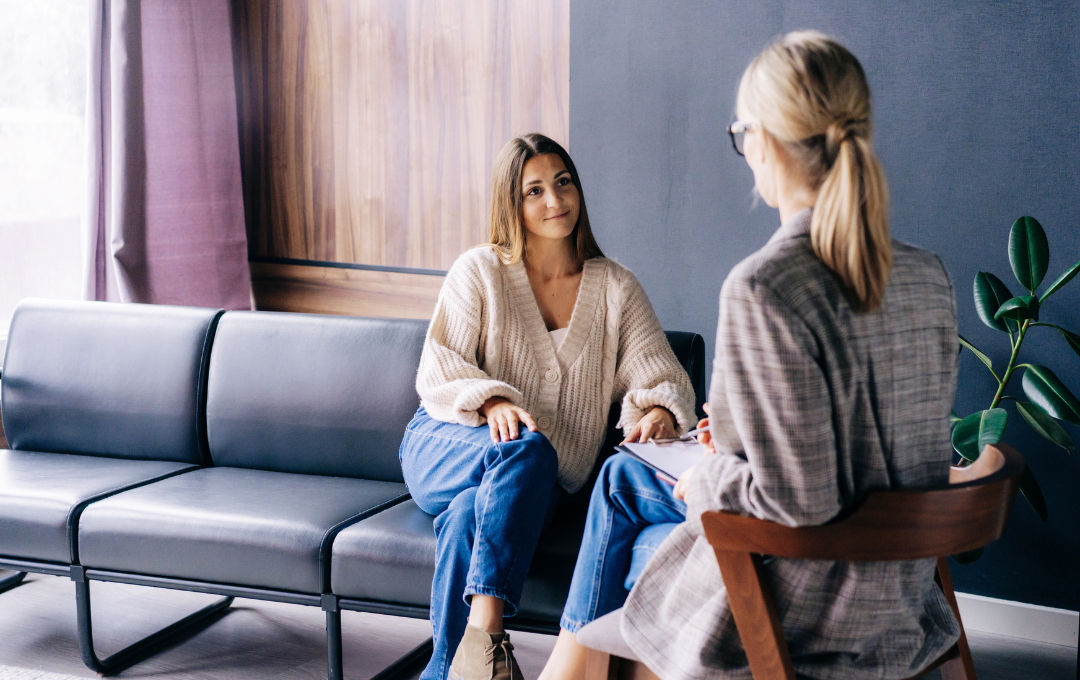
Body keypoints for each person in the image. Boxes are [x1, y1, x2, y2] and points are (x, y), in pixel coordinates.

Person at [540, 31, 961, 680]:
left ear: (763, 141)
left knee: (629, 532)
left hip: (812, 603)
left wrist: (709, 475)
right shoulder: (926, 274)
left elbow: (800, 502)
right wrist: (735, 441)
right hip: (902, 599)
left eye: (741, 134)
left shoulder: (766, 286)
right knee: (626, 480)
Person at [401, 133, 697, 680]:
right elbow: (438, 368)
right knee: (527, 450)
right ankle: (489, 636)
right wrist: (490, 401)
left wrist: (655, 411)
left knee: (473, 512)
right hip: (448, 442)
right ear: (510, 204)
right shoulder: (480, 271)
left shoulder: (616, 288)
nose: (554, 200)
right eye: (533, 190)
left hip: (543, 481)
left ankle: (454, 669)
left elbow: (659, 374)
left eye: (563, 183)